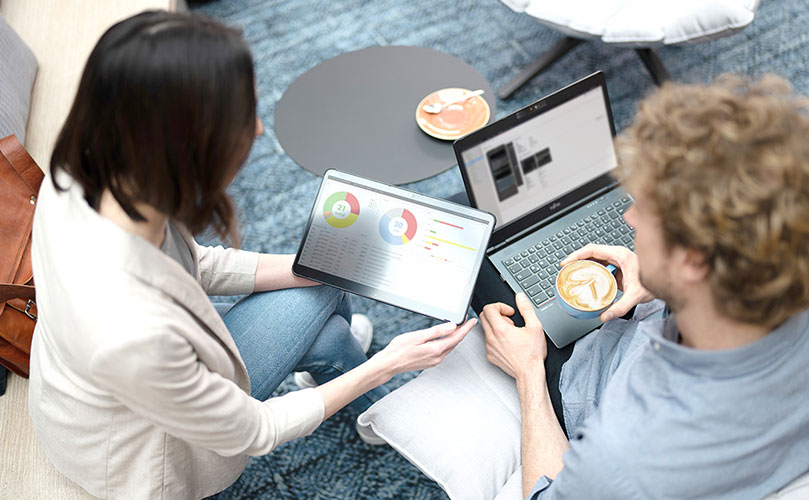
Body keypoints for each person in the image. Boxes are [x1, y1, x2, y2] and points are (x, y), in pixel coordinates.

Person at [28, 10, 476, 500]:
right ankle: (357, 377)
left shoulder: (84, 174)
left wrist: (305, 265)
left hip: (119, 383)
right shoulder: (130, 332)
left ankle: (343, 371)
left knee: (326, 291)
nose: (258, 130)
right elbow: (255, 431)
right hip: (147, 453)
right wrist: (388, 363)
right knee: (326, 297)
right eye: (243, 118)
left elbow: (194, 266)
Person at [479, 74, 809, 499]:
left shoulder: (620, 458)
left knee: (482, 250)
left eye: (646, 208)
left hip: (596, 389)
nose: (630, 218)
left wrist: (528, 374)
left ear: (693, 259)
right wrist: (667, 286)